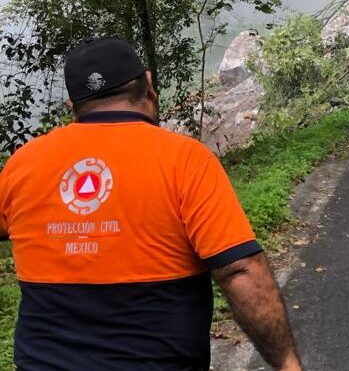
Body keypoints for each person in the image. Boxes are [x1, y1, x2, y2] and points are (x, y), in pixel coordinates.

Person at [0, 37, 302, 371]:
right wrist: (288, 364)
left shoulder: (21, 165)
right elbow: (241, 271)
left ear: (73, 105)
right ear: (149, 85)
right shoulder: (184, 160)